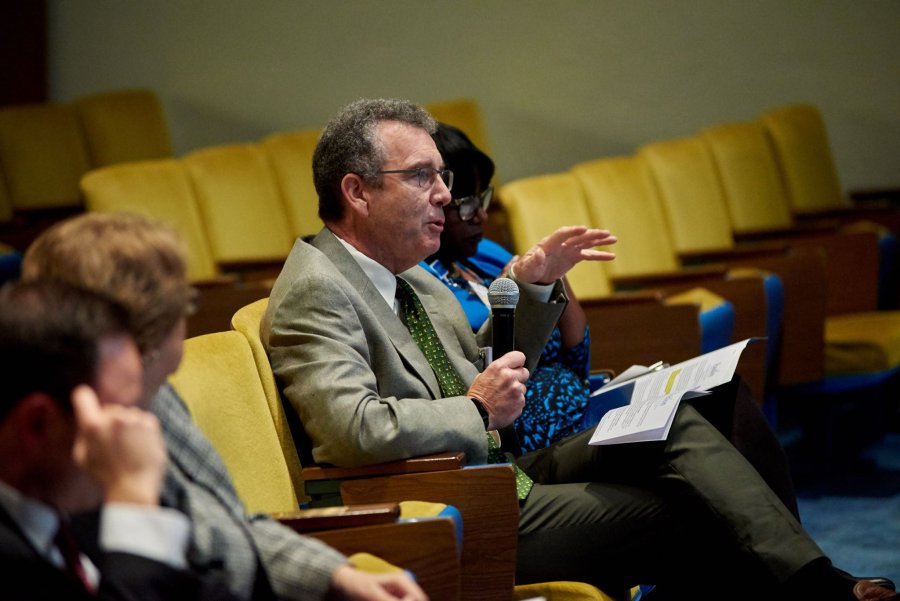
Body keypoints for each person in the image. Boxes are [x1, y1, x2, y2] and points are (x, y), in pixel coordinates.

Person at [261, 97, 894, 601]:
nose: (446, 196)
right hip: (456, 502)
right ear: (357, 191)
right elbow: (349, 431)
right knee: (690, 511)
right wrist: (477, 411)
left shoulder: (410, 272)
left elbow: (481, 361)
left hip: (503, 467)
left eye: (443, 176)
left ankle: (817, 581)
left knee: (679, 425)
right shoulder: (316, 290)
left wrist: (533, 287)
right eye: (422, 176)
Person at [21, 213, 428, 601]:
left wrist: (336, 577)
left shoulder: (154, 395)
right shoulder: (63, 449)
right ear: (147, 330)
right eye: (184, 302)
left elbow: (232, 524)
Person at [425, 121, 802, 518]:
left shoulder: (482, 255)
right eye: (465, 203)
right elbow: (486, 374)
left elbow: (575, 352)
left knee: (724, 392)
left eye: (484, 196)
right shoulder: (426, 288)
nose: (481, 214)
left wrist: (554, 275)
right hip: (543, 441)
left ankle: (796, 553)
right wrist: (519, 287)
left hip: (587, 403)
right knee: (690, 443)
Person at [0, 280, 237, 600]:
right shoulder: (119, 493)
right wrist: (134, 500)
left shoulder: (71, 501)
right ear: (38, 423)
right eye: (121, 414)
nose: (144, 431)